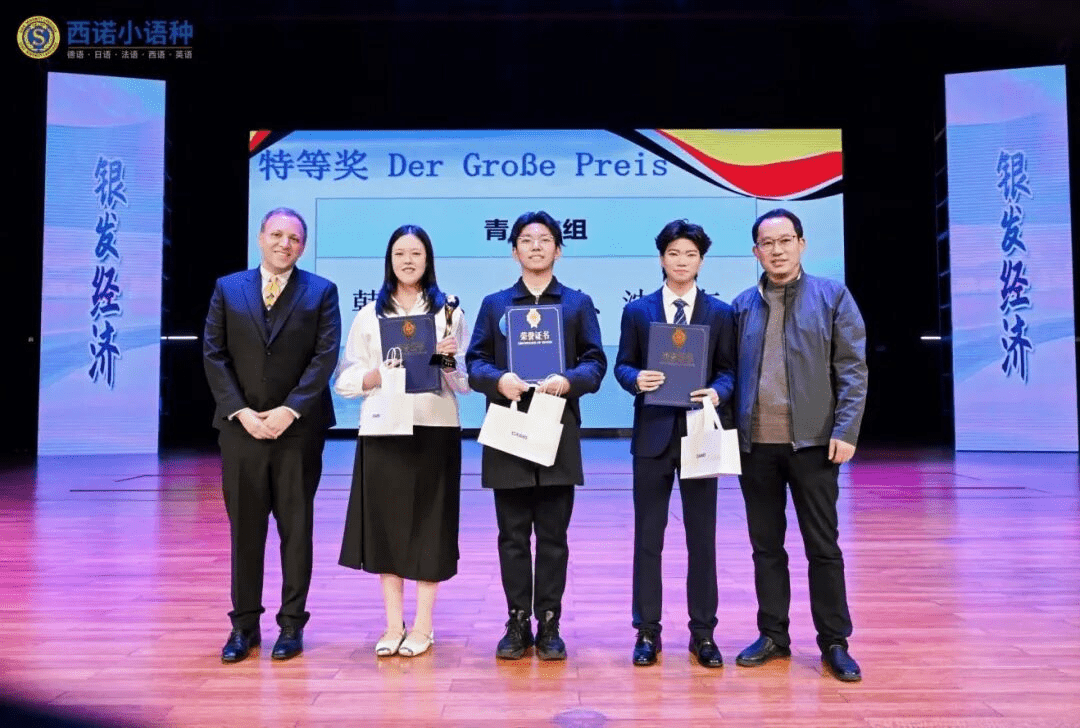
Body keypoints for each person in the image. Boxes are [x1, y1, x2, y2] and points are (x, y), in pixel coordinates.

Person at [731, 208, 868, 682]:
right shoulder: (742, 306)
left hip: (814, 445)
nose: (777, 250)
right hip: (755, 448)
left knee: (822, 547)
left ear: (802, 244)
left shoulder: (832, 296)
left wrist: (846, 430)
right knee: (766, 548)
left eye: (785, 240)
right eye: (767, 243)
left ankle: (835, 641)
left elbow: (852, 369)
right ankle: (773, 635)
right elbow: (730, 376)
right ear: (756, 251)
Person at [466, 210, 607, 661]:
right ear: (514, 251)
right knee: (511, 536)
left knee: (552, 537)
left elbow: (595, 363)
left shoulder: (577, 303)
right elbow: (474, 363)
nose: (536, 247)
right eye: (526, 240)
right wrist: (498, 380)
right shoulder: (495, 304)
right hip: (508, 428)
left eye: (544, 239)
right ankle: (515, 622)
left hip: (557, 430)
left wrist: (569, 380)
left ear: (558, 250)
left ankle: (548, 623)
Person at [203, 207, 341, 663]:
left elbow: (324, 357)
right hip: (240, 429)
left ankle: (291, 625)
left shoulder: (321, 291)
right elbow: (214, 354)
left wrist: (289, 410)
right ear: (261, 238)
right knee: (246, 530)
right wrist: (241, 412)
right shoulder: (229, 288)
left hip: (298, 431)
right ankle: (243, 627)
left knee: (296, 530)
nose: (285, 244)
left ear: (304, 246)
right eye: (277, 235)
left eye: (294, 238)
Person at [335, 225, 469, 658]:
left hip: (435, 427)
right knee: (387, 528)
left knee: (430, 525)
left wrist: (447, 360)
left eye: (416, 253)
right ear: (389, 260)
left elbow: (462, 383)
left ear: (428, 260)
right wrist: (376, 375)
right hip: (383, 429)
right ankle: (394, 625)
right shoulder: (368, 315)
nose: (408, 261)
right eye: (399, 254)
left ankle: (424, 627)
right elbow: (346, 379)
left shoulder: (448, 311)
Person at [613, 219, 736, 668]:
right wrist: (636, 379)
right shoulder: (638, 311)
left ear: (701, 261)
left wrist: (718, 391)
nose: (682, 261)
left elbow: (729, 370)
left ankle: (703, 634)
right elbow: (622, 365)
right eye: (674, 253)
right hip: (653, 436)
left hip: (700, 433)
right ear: (661, 258)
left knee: (702, 538)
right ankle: (647, 631)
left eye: (690, 254)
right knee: (649, 538)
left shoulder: (719, 313)